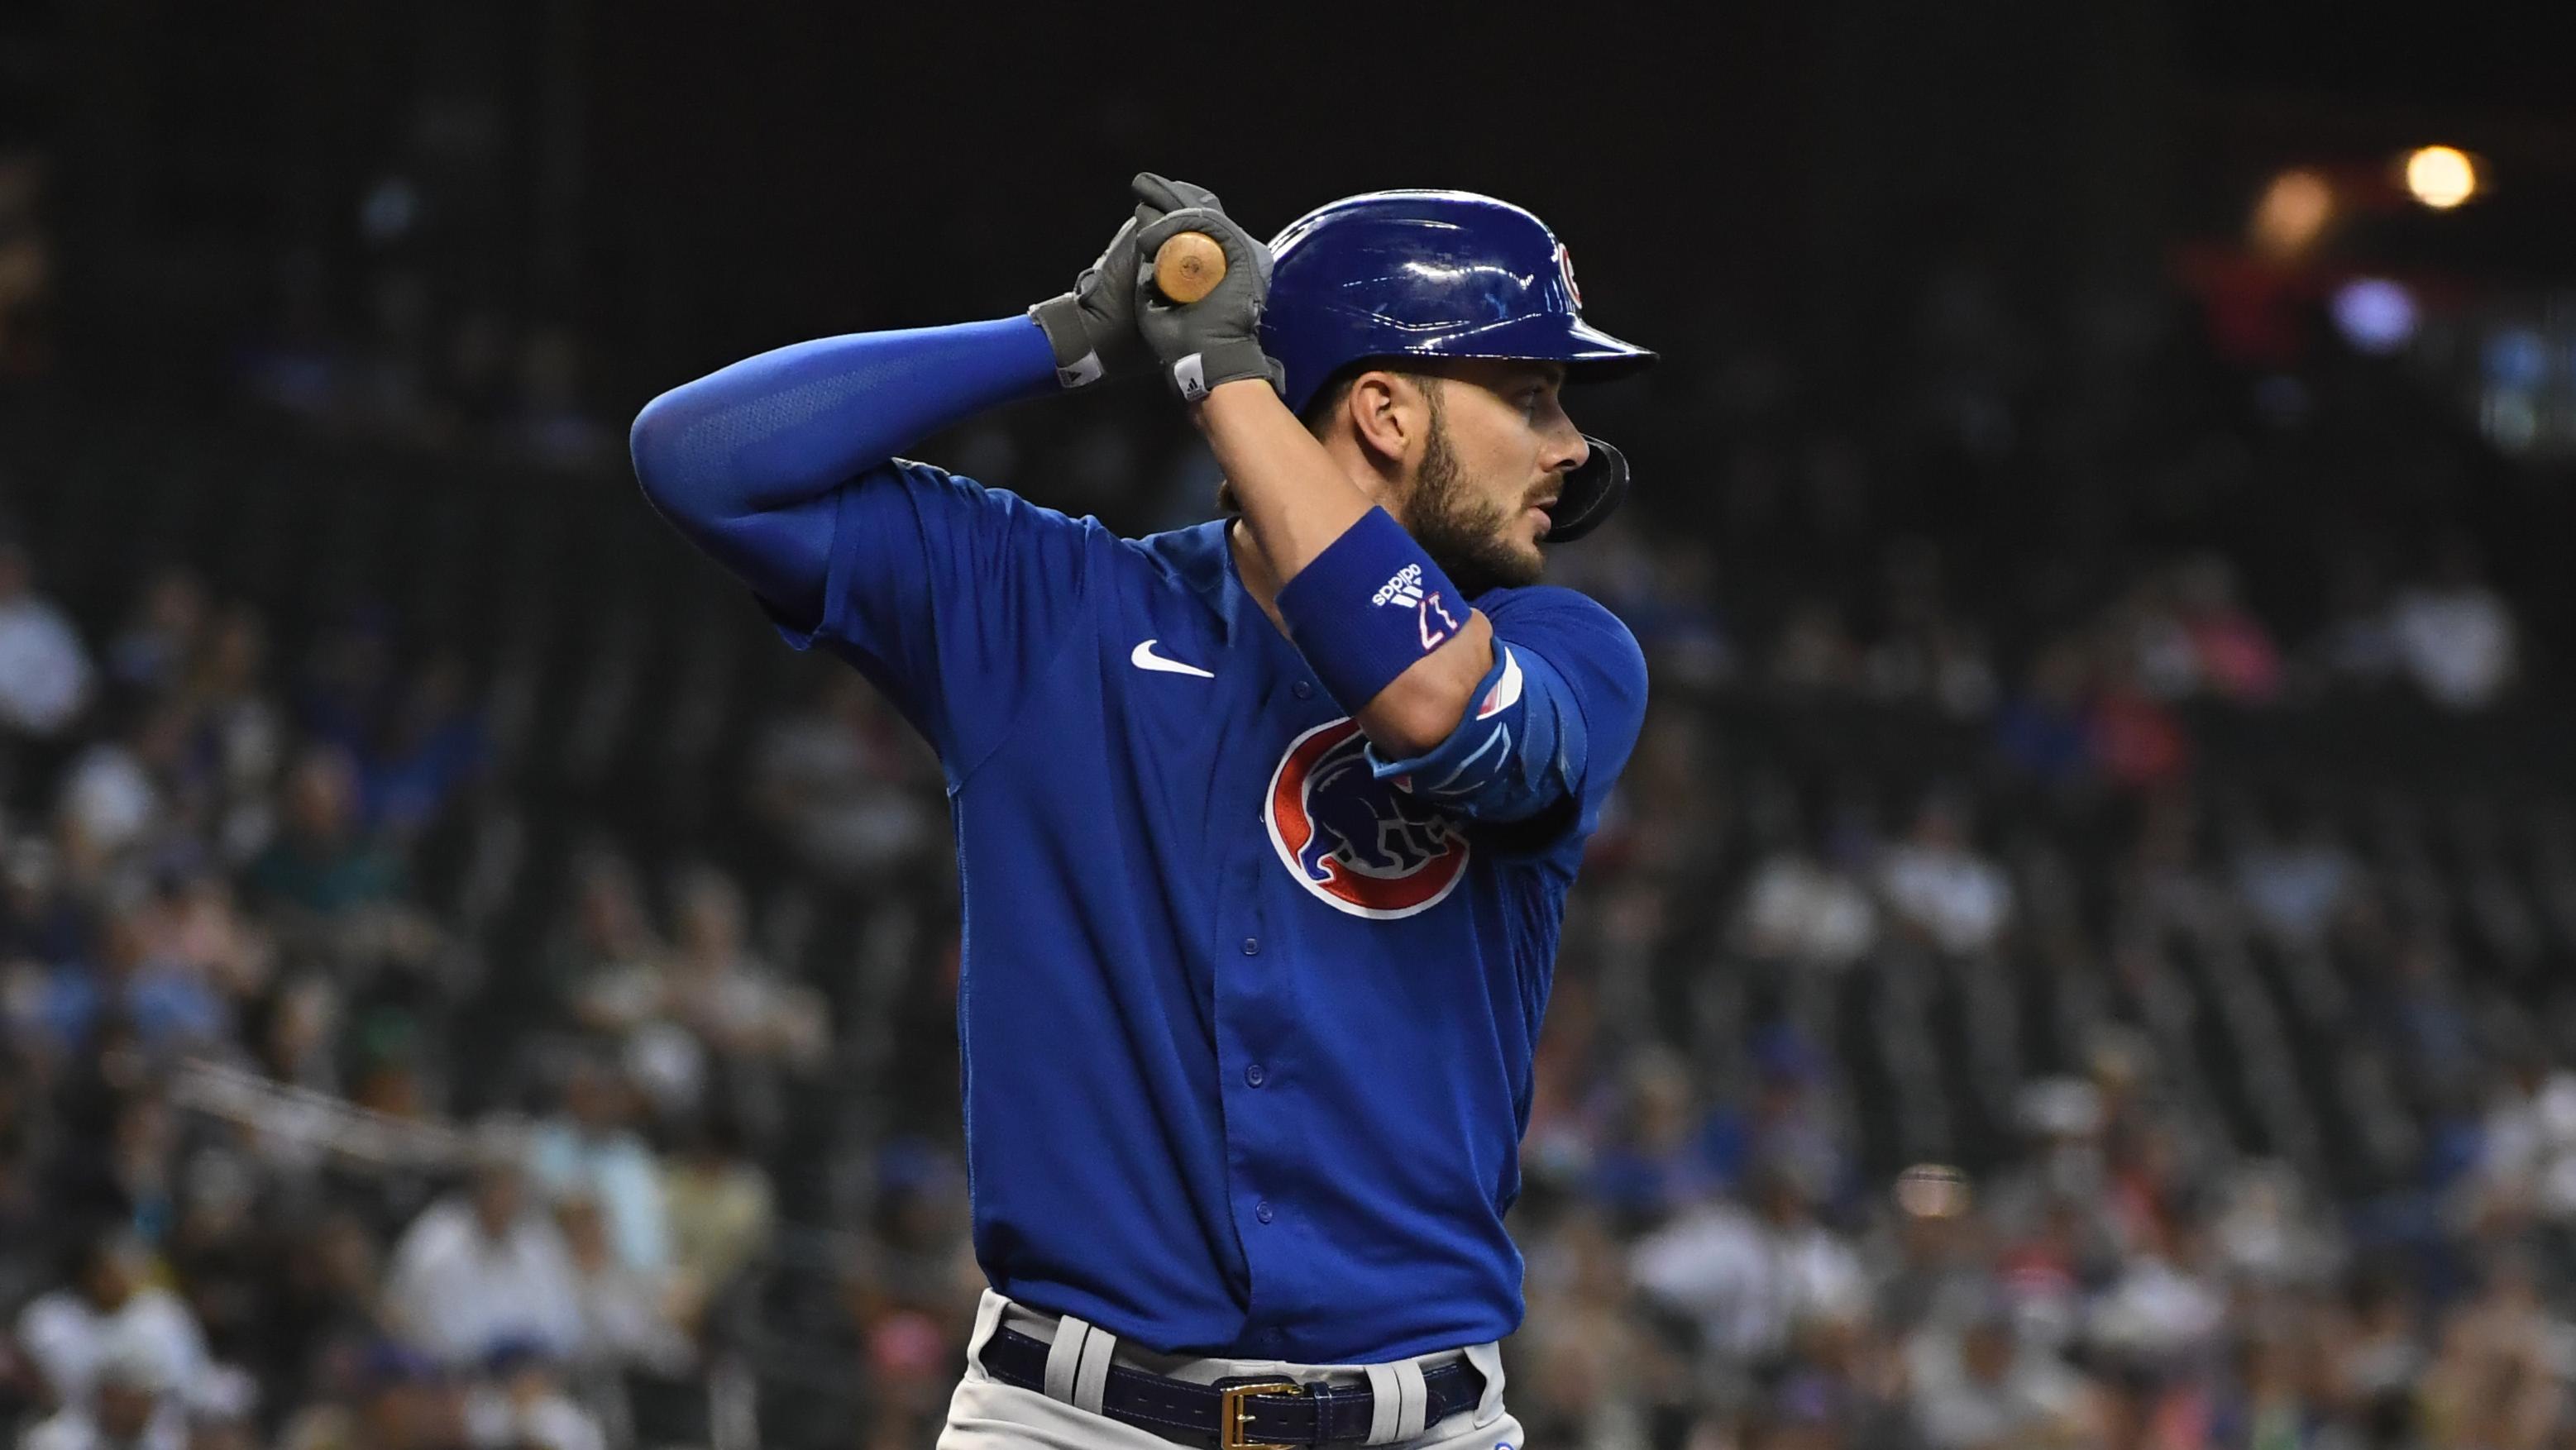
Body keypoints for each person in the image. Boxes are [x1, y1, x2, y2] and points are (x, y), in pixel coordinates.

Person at [631, 174, 1656, 1449]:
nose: (1572, 447)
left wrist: (1221, 380)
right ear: (1386, 409)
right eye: (1533, 395)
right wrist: (1067, 334)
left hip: (1420, 1420)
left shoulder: (1572, 649)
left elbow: (1433, 703)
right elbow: (702, 460)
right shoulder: (1056, 610)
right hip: (1068, 1419)